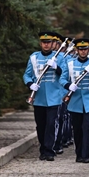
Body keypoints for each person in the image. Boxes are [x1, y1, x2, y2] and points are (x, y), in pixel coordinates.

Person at [60, 38, 89, 163]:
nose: (83, 51)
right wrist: (68, 86)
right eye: (81, 49)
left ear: (88, 50)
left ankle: (85, 155)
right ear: (77, 50)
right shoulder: (70, 63)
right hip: (75, 101)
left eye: (85, 49)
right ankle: (79, 153)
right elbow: (62, 79)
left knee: (87, 127)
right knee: (77, 128)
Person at [24, 31, 65, 161]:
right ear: (40, 43)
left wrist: (56, 67)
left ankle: (49, 150)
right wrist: (30, 84)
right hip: (39, 97)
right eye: (44, 42)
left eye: (48, 43)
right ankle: (43, 148)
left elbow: (65, 74)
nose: (46, 45)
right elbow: (27, 74)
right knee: (40, 125)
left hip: (54, 96)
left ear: (53, 43)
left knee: (51, 124)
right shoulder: (34, 57)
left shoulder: (60, 57)